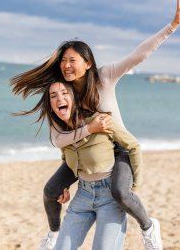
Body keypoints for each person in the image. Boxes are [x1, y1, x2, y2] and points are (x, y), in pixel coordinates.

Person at [10, 0, 180, 249]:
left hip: (117, 148)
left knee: (121, 193)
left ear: (88, 62)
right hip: (84, 148)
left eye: (72, 60)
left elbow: (139, 56)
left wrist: (172, 26)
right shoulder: (64, 92)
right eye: (63, 61)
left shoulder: (104, 76)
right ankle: (53, 233)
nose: (66, 65)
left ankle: (148, 226)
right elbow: (61, 136)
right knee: (51, 190)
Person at [48, 79, 143, 249]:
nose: (59, 98)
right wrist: (65, 186)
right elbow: (67, 159)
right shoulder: (62, 133)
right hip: (83, 195)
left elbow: (134, 146)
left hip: (110, 197)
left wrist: (131, 190)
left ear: (75, 98)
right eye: (53, 95)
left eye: (64, 93)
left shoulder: (101, 121)